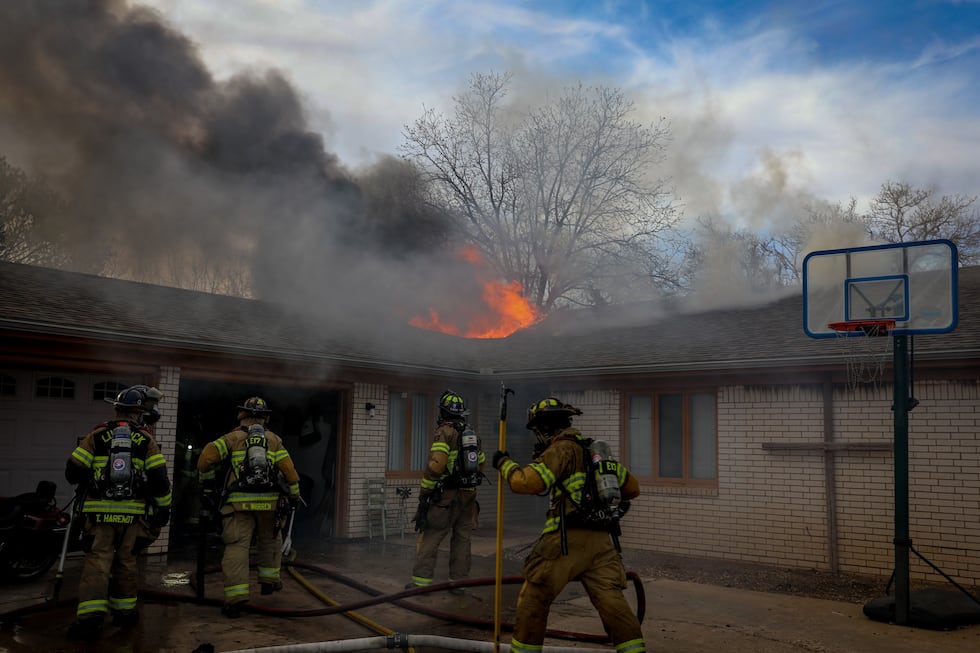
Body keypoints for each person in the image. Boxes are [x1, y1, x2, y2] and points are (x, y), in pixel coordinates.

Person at [492, 397, 646, 653]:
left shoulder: (561, 450)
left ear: (545, 428)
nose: (538, 437)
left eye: (538, 432)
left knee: (534, 599)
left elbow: (525, 482)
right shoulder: (593, 452)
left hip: (565, 541)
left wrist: (504, 463)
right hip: (601, 544)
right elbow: (633, 488)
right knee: (613, 604)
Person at [65, 385, 172, 640]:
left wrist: (91, 479)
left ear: (116, 409)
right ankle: (124, 613)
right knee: (126, 562)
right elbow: (160, 482)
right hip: (132, 515)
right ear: (140, 412)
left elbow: (72, 473)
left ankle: (90, 621)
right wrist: (163, 510)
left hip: (98, 514)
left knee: (97, 564)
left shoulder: (97, 435)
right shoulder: (146, 440)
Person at [197, 396, 302, 618]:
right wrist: (294, 496)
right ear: (266, 418)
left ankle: (235, 599)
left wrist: (207, 488)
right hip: (270, 504)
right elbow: (290, 474)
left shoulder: (232, 438)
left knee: (237, 547)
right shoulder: (274, 440)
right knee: (271, 540)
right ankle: (269, 582)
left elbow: (204, 460)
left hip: (238, 504)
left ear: (242, 415)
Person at [407, 389, 485, 593]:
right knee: (462, 539)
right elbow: (481, 465)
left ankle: (420, 583)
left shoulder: (445, 432)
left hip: (446, 496)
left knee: (432, 536)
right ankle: (458, 584)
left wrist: (425, 491)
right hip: (468, 495)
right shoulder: (472, 434)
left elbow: (436, 466)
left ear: (443, 412)